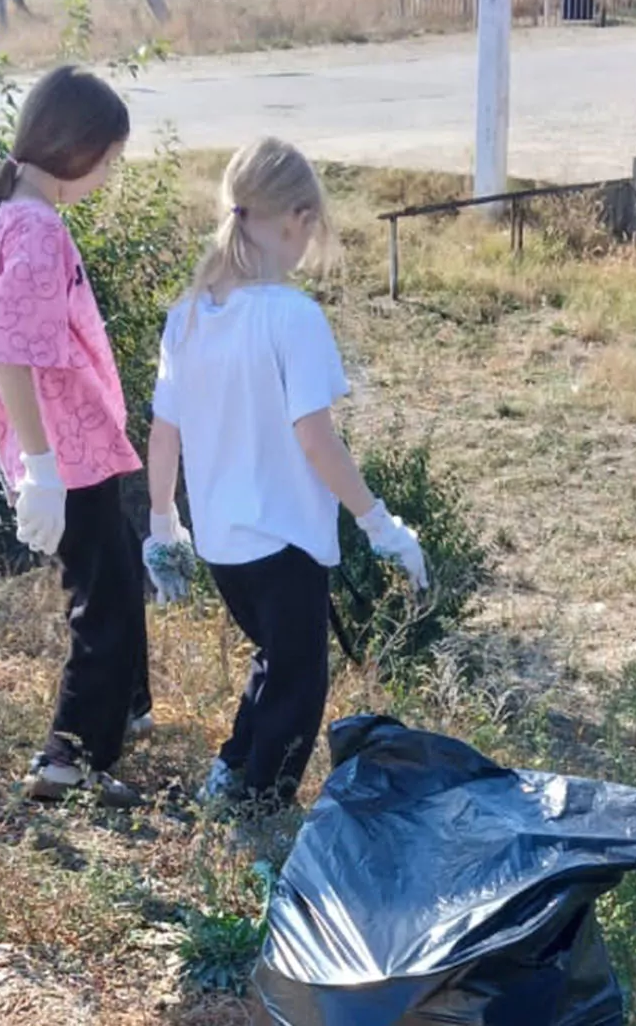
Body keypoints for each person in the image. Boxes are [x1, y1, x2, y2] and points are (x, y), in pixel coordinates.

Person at [142, 138, 429, 812]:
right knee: (299, 685)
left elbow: (163, 433)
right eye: (311, 229)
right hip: (285, 541)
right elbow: (316, 441)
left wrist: (163, 525)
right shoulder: (292, 317)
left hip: (221, 545)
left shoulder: (187, 316)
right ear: (295, 220)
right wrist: (379, 524)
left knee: (274, 658)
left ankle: (233, 767)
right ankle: (258, 811)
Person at [0, 65, 152, 808]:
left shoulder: (17, 210)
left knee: (116, 577)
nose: (109, 173)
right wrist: (40, 470)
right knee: (100, 603)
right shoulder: (34, 229)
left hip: (74, 447)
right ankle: (69, 756)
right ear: (77, 148)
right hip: (66, 454)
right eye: (110, 158)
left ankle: (122, 711)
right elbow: (13, 356)